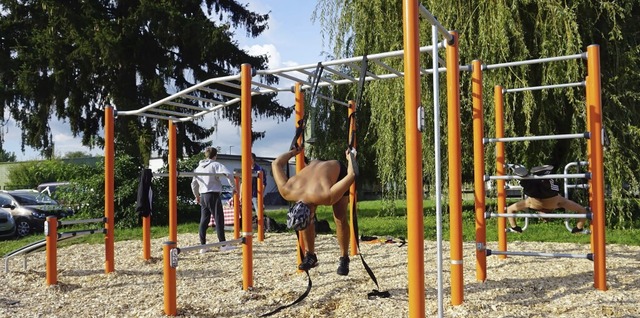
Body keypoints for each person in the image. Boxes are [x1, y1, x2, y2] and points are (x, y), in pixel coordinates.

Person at [272, 146, 356, 275]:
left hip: (337, 171)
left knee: (339, 217)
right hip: (314, 165)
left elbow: (352, 174)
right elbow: (276, 163)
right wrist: (293, 152)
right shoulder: (286, 190)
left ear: (313, 216)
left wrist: (351, 158)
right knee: (304, 220)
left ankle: (344, 257)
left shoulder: (327, 196)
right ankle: (310, 255)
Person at [506, 165, 589, 234]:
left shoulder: (556, 204)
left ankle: (533, 177)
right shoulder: (532, 204)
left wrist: (579, 227)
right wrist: (578, 228)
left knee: (546, 185)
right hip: (540, 194)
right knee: (530, 185)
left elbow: (510, 210)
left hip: (547, 194)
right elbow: (582, 210)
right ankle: (526, 178)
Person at [191, 147, 236, 252]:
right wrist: (233, 187)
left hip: (203, 195)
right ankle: (223, 245)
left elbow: (193, 184)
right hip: (213, 195)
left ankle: (203, 246)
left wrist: (196, 195)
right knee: (219, 219)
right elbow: (229, 174)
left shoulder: (198, 168)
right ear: (215, 156)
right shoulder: (215, 165)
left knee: (204, 220)